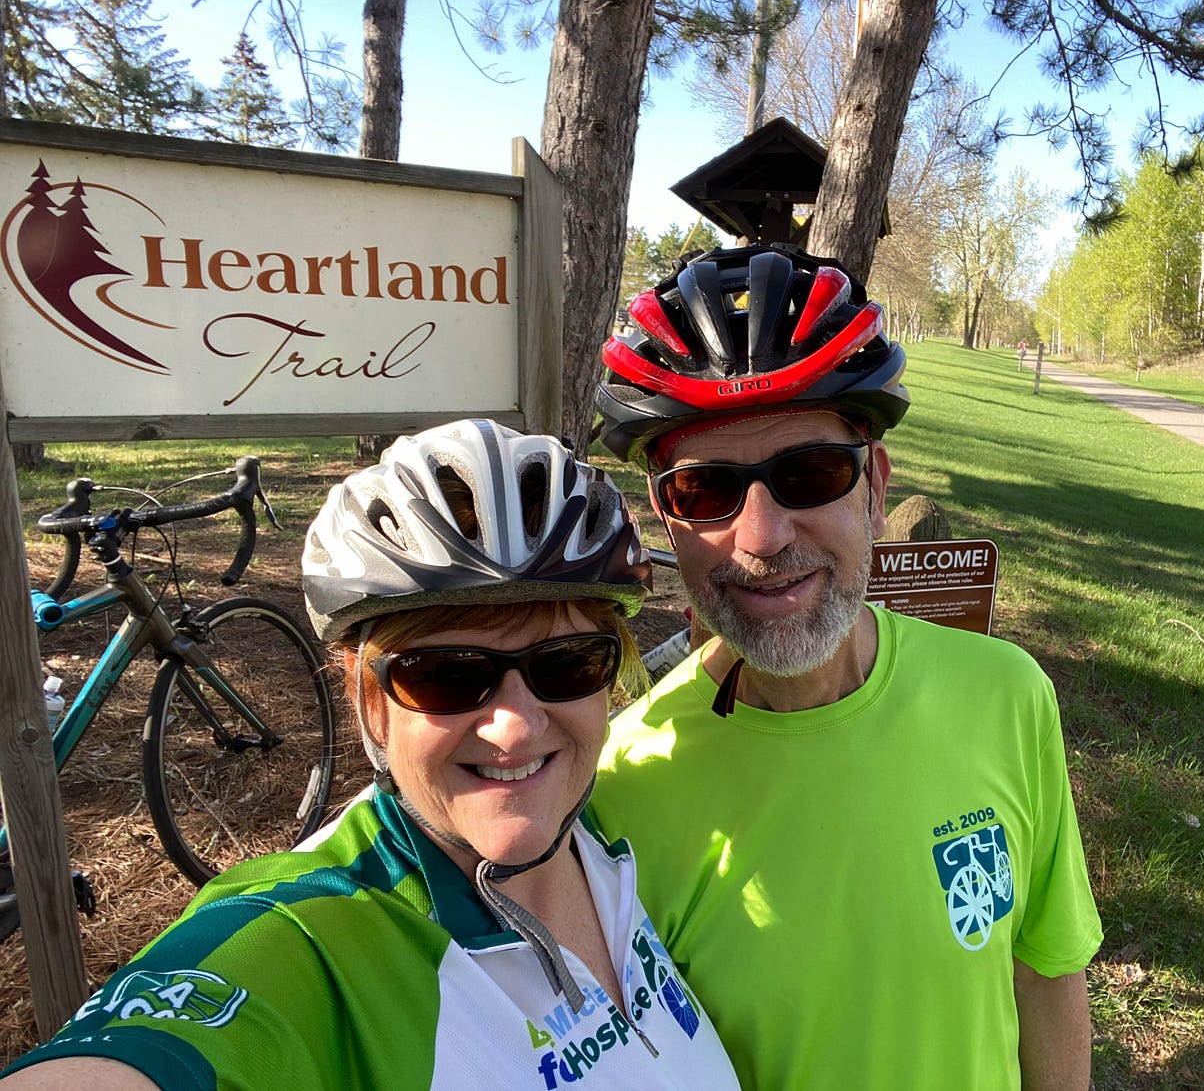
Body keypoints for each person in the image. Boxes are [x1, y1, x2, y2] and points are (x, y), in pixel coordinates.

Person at [1, 421, 739, 1090]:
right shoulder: (308, 937)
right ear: (366, 698)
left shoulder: (613, 843)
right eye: (446, 675)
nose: (515, 727)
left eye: (569, 663)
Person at [592, 245, 1103, 1090]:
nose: (760, 539)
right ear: (664, 517)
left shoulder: (1008, 696)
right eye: (705, 490)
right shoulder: (618, 789)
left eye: (809, 473)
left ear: (874, 487)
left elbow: (1044, 968)